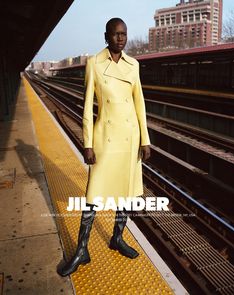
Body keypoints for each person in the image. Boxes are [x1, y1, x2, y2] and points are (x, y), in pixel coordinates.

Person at [57, 17, 151, 277]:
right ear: (106, 36)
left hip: (130, 138)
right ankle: (82, 249)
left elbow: (139, 104)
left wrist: (145, 139)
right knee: (93, 195)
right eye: (115, 34)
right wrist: (87, 144)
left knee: (125, 191)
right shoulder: (94, 64)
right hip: (105, 138)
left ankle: (117, 238)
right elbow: (87, 107)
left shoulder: (134, 66)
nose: (120, 38)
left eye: (124, 34)